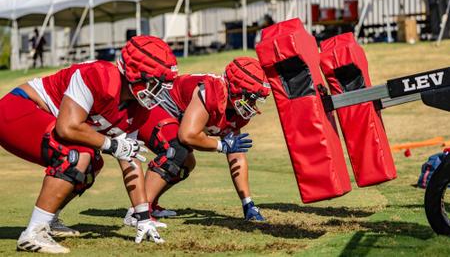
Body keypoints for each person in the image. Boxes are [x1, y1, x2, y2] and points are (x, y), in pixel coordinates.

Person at [0, 35, 178, 253]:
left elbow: (129, 158)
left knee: (93, 163)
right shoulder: (98, 76)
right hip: (18, 109)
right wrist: (111, 144)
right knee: (77, 154)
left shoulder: (137, 109)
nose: (158, 92)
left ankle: (49, 219)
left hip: (50, 121)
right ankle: (33, 233)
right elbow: (67, 127)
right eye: (154, 84)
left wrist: (142, 216)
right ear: (134, 74)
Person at [123, 57, 271, 226]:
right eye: (250, 98)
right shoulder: (214, 91)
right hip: (155, 107)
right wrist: (221, 146)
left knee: (187, 163)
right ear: (236, 88)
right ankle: (138, 213)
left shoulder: (237, 112)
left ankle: (150, 203)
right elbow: (188, 135)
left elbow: (236, 155)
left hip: (175, 116)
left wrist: (247, 203)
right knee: (175, 151)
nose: (252, 104)